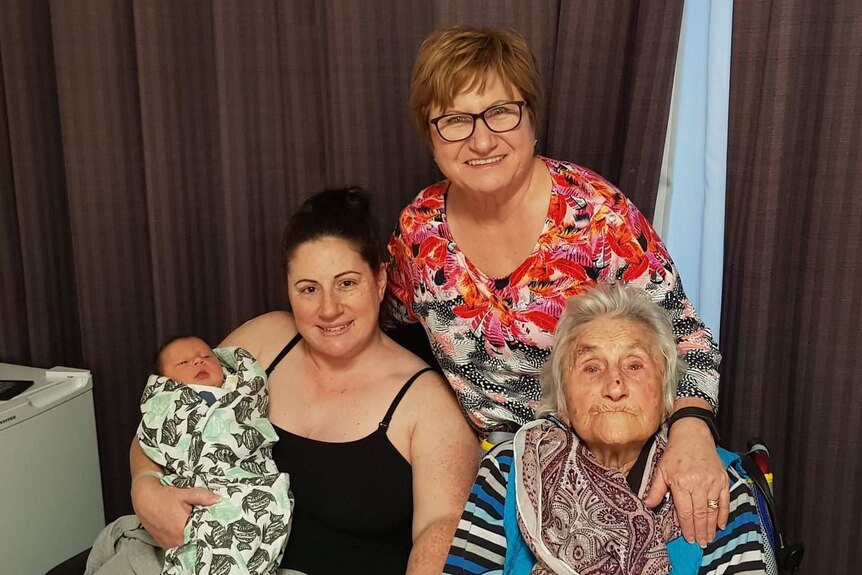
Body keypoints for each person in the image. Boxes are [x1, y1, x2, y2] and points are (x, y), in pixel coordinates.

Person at [387, 25, 726, 546]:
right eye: (455, 120)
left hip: (609, 462)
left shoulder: (597, 216)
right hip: (490, 477)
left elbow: (687, 340)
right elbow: (390, 330)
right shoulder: (419, 231)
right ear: (429, 134)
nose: (481, 140)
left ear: (531, 117)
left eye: (501, 112)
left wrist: (693, 431)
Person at [130, 188, 479, 575]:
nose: (328, 309)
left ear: (380, 281)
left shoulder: (427, 405)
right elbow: (167, 413)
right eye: (309, 289)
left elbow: (442, 532)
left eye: (346, 283)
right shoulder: (262, 342)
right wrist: (144, 485)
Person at [443, 284, 776, 574]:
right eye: (591, 367)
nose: (614, 386)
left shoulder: (713, 481)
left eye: (634, 365)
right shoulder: (508, 471)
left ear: (666, 396)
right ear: (563, 402)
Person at [136, 336, 292, 575]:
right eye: (184, 362)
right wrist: (144, 482)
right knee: (206, 532)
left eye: (207, 357)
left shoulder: (239, 391)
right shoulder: (171, 403)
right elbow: (151, 436)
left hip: (247, 480)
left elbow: (250, 417)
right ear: (165, 382)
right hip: (195, 486)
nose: (199, 361)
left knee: (259, 512)